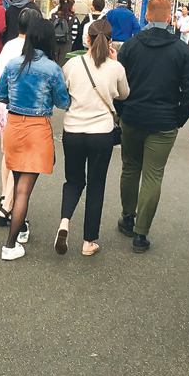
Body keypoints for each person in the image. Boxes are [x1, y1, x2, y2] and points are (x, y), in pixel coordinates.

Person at [116, 0, 189, 252]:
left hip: (133, 115)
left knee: (130, 167)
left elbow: (120, 84)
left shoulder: (130, 46)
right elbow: (188, 90)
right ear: (170, 18)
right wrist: (179, 119)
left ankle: (128, 217)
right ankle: (141, 233)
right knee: (153, 174)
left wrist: (121, 112)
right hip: (164, 120)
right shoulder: (181, 50)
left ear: (146, 16)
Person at [0, 18, 70, 261]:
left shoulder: (13, 63)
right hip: (38, 130)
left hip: (14, 127)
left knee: (19, 187)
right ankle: (10, 244)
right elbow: (63, 102)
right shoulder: (52, 68)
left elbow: (0, 95)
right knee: (24, 192)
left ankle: (21, 231)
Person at [58, 18, 129, 256]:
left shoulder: (72, 65)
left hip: (73, 130)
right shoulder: (116, 67)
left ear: (86, 39)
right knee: (96, 185)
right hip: (101, 133)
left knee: (73, 181)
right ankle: (88, 242)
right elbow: (123, 94)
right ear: (110, 42)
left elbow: (64, 91)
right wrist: (115, 62)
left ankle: (64, 223)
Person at [0, 5, 41, 234]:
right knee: (22, 159)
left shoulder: (9, 46)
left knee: (8, 151)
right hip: (22, 107)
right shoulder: (32, 50)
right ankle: (8, 206)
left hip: (2, 105)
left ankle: (5, 194)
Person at [52, 0, 77, 66]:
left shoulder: (53, 16)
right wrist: (70, 41)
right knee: (64, 64)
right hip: (67, 43)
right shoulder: (72, 17)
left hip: (55, 42)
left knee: (54, 62)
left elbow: (49, 29)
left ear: (59, 4)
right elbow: (74, 33)